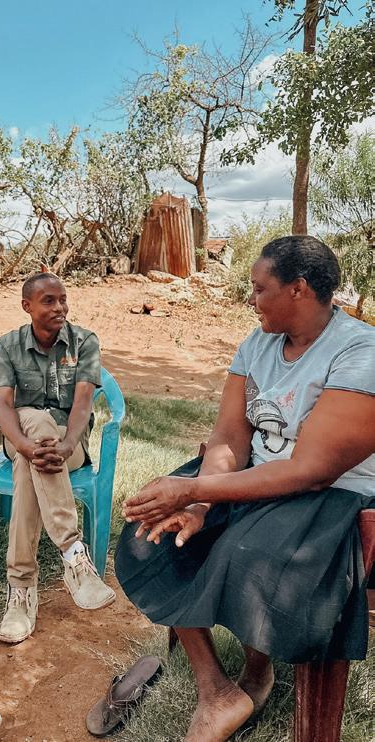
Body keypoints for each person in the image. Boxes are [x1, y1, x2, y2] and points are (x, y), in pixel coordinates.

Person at [114, 235, 375, 742]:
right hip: (257, 476)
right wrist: (200, 499)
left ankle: (258, 670)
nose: (250, 299)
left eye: (259, 289)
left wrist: (193, 491)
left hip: (333, 495)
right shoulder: (257, 344)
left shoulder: (360, 352)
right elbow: (230, 437)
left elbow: (312, 470)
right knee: (152, 533)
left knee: (242, 550)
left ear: (298, 289)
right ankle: (216, 690)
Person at [0, 272, 116, 644]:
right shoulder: (8, 345)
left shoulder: (85, 342)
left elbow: (82, 404)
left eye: (63, 299)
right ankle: (74, 555)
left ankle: (20, 591)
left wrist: (64, 445)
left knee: (27, 468)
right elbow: (3, 405)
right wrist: (26, 445)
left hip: (68, 446)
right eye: (49, 301)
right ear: (27, 306)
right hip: (20, 439)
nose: (60, 307)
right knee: (35, 421)